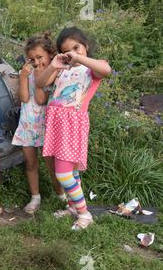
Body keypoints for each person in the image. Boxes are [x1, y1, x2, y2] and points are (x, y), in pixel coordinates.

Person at [36, 27, 111, 230]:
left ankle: (85, 214)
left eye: (76, 47)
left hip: (72, 124)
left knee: (63, 175)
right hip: (56, 124)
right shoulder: (62, 69)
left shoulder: (92, 68)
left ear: (85, 46)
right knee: (72, 171)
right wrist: (53, 65)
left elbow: (106, 70)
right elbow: (40, 82)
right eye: (67, 50)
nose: (72, 53)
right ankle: (72, 206)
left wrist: (79, 57)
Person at [12, 32, 66, 215]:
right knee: (30, 162)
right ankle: (35, 197)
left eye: (40, 57)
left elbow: (42, 99)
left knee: (51, 163)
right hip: (28, 123)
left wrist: (37, 79)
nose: (36, 62)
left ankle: (61, 195)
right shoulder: (27, 72)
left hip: (46, 124)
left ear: (50, 54)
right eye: (31, 59)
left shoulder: (55, 72)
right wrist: (23, 77)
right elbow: (25, 98)